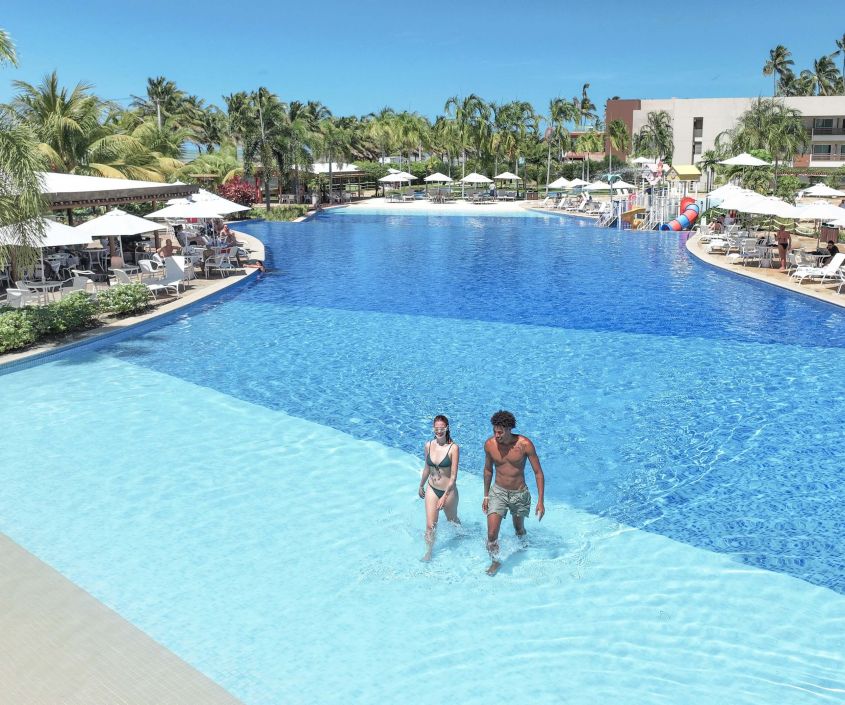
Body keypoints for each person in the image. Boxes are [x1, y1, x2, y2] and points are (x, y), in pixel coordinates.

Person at [482, 410, 545, 576]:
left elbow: (538, 472)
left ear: (509, 429)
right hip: (498, 492)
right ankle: (495, 561)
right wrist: (486, 495)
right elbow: (488, 470)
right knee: (491, 533)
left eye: (500, 432)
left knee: (519, 530)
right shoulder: (490, 445)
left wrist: (540, 501)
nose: (496, 435)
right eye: (494, 431)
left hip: (519, 493)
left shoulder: (524, 444)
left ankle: (523, 546)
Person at [418, 414, 460, 561]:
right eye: (436, 428)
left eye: (442, 428)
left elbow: (454, 477)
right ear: (433, 429)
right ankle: (429, 552)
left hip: (448, 491)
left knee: (452, 521)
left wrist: (444, 496)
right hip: (432, 488)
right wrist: (421, 485)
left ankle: (461, 534)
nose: (439, 431)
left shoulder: (453, 448)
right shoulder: (428, 445)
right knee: (430, 525)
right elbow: (426, 468)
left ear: (447, 428)